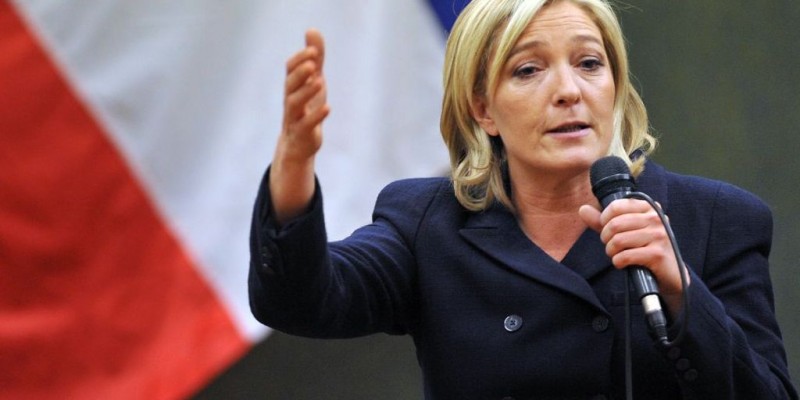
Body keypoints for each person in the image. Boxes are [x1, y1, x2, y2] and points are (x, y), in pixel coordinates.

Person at [248, 0, 797, 398]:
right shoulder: (426, 224)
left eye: (589, 64)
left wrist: (682, 292)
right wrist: (293, 171)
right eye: (529, 70)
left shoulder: (716, 219)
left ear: (614, 85)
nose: (569, 91)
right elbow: (302, 301)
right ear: (483, 110)